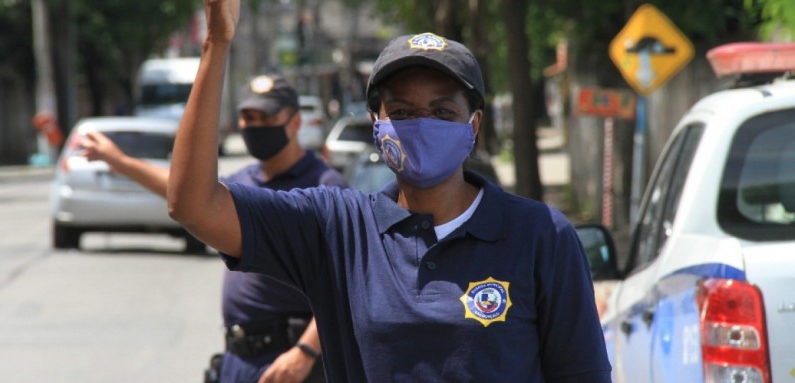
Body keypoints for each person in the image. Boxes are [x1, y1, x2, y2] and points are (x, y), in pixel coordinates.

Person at [168, 0, 612, 381]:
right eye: (401, 111)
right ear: (377, 126)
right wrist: (217, 44)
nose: (422, 124)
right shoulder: (336, 228)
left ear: (473, 125)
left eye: (442, 111)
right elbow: (194, 204)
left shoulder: (540, 236)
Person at [82, 73, 343, 383]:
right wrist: (121, 162)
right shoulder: (245, 180)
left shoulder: (326, 187)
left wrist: (306, 351)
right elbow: (187, 195)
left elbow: (343, 284)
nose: (256, 125)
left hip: (290, 362)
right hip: (237, 360)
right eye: (248, 116)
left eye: (267, 116)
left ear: (295, 122)